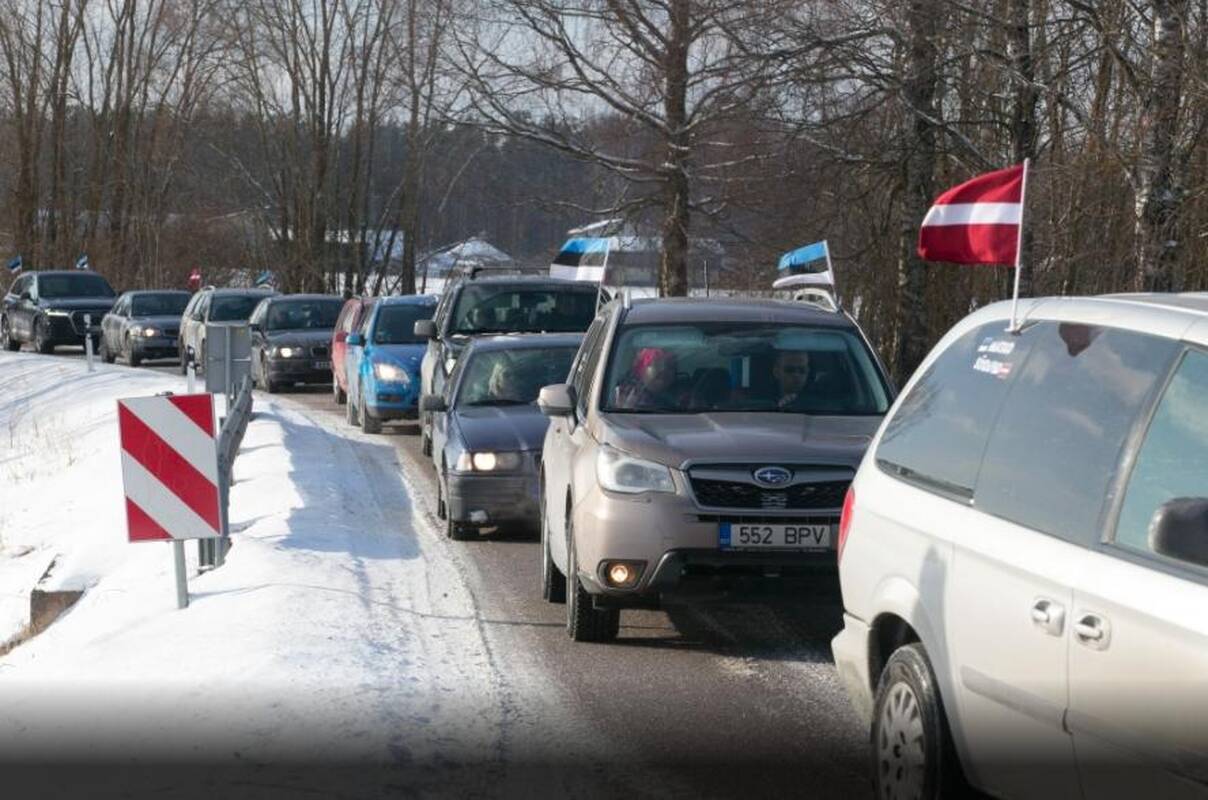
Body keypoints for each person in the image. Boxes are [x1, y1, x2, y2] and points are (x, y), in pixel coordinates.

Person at [613, 347, 678, 410]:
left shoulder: (681, 397)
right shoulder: (625, 393)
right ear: (642, 368)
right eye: (657, 364)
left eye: (670, 367)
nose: (663, 370)